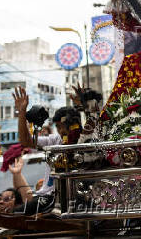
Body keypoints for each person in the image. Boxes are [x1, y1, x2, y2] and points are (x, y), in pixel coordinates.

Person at [12, 86, 97, 215]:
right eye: (57, 127)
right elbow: (25, 142)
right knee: (15, 213)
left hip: (67, 199)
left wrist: (87, 103)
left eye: (62, 126)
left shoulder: (86, 140)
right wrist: (22, 113)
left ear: (74, 123)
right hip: (47, 197)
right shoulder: (55, 140)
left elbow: (93, 120)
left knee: (17, 213)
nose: (60, 131)